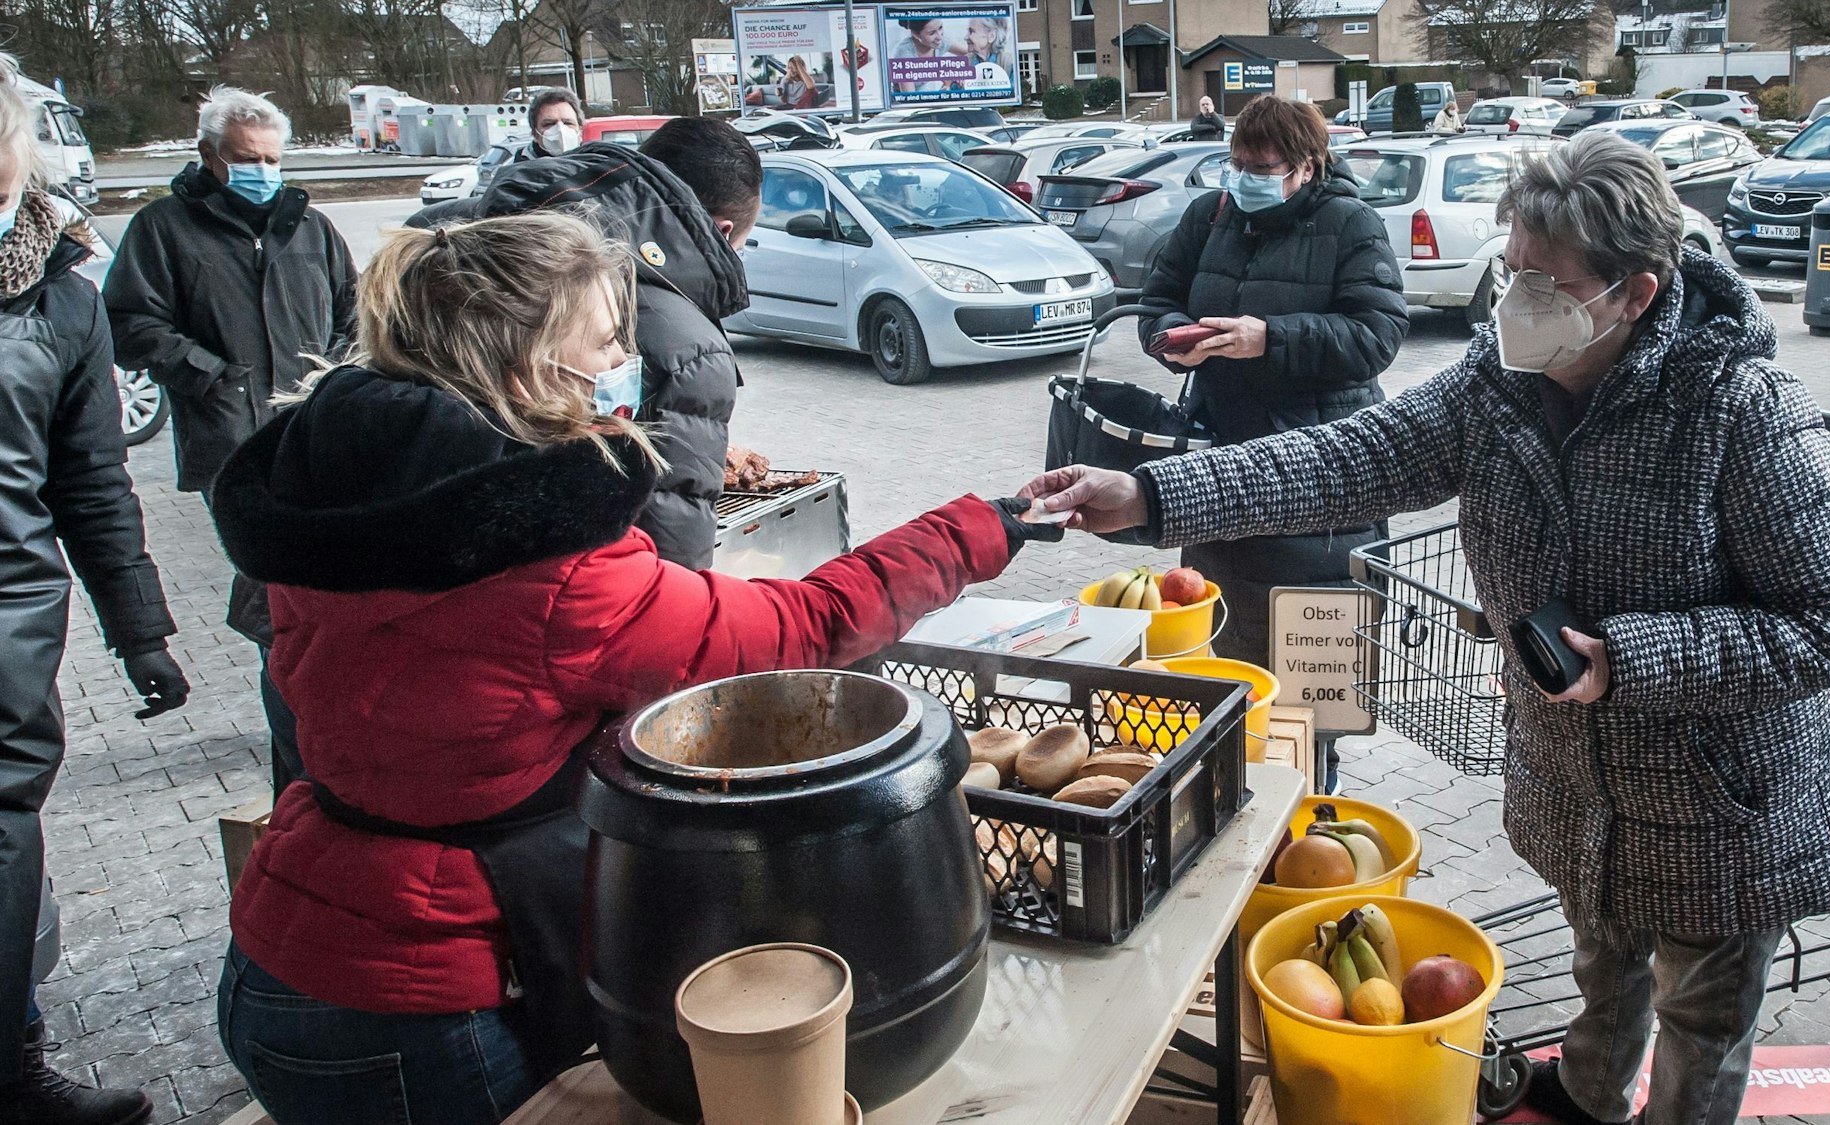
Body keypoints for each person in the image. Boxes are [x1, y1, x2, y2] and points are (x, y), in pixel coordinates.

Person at [1024, 133, 1830, 1125]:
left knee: (1701, 1013)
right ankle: (1591, 1093)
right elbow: (1346, 459)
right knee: (1601, 953)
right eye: (1512, 270)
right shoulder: (1499, 384)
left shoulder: (1739, 407)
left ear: (1634, 294)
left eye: (1546, 283)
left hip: (1715, 802)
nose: (1514, 299)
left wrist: (1634, 659)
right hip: (1578, 780)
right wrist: (1146, 492)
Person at [207, 212, 1056, 1125]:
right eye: (609, 338)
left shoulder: (333, 495)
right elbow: (802, 628)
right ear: (531, 365)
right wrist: (977, 528)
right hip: (419, 1010)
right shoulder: (547, 567)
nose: (625, 359)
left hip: (275, 948)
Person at [0, 52, 189, 1125]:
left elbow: (89, 482)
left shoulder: (61, 297)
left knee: (4, 834)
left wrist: (140, 628)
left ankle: (12, 1061)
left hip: (9, 619)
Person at [102, 86, 355, 797]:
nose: (263, 172)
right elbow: (128, 322)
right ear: (209, 155)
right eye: (248, 159)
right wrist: (207, 372)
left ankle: (312, 748)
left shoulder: (311, 228)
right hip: (231, 441)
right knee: (272, 595)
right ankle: (296, 764)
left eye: (273, 159)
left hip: (313, 435)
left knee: (313, 595)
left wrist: (337, 374)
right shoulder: (164, 229)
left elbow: (354, 311)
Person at [415, 115, 760, 573]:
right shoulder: (690, 347)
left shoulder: (437, 240)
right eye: (607, 341)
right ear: (722, 230)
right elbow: (674, 532)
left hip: (425, 557)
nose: (617, 356)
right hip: (567, 583)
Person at [1136, 94, 1407, 665]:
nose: (1243, 179)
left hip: (1321, 470)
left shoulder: (1350, 223)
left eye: (1261, 169)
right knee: (1224, 641)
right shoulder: (1210, 216)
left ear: (1306, 166)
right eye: (1236, 165)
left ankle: (1316, 731)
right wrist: (1174, 341)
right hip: (1218, 461)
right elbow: (1157, 301)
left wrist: (1271, 338)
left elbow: (1377, 335)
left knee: (1313, 668)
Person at [893, 18, 948, 93]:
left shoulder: (939, 41)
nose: (940, 37)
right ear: (916, 34)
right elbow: (910, 97)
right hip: (906, 98)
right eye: (932, 33)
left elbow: (966, 52)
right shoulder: (904, 53)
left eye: (940, 27)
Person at [527, 87, 584, 157]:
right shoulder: (521, 163)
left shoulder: (595, 160)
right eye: (549, 124)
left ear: (580, 131)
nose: (560, 130)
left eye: (568, 123)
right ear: (535, 134)